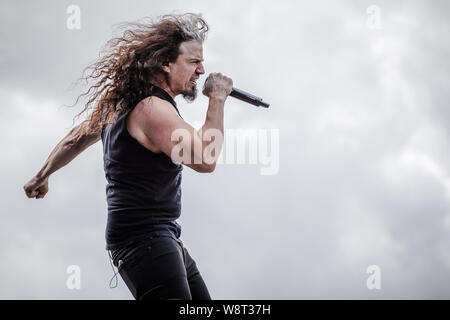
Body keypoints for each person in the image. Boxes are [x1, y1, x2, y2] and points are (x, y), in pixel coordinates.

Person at [23, 13, 233, 300]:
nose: (201, 70)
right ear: (165, 63)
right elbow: (206, 159)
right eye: (194, 62)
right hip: (146, 239)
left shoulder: (121, 101)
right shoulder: (152, 108)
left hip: (158, 237)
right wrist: (217, 99)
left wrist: (42, 175)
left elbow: (75, 139)